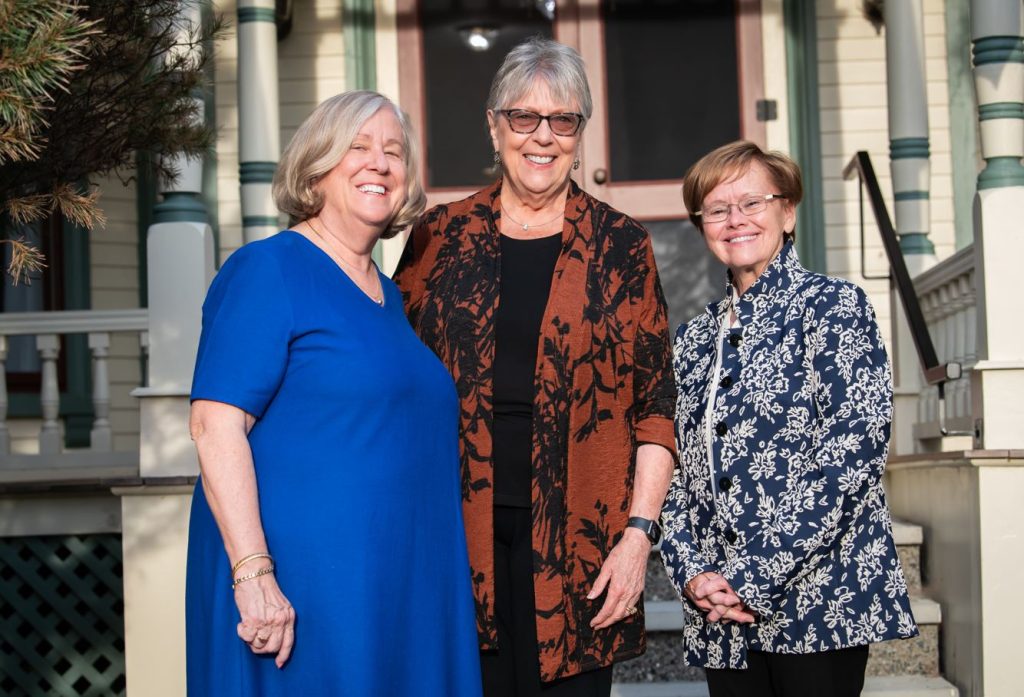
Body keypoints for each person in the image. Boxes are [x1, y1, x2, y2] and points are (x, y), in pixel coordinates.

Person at [393, 38, 677, 697]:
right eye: (524, 117)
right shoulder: (440, 237)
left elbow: (657, 405)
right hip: (456, 537)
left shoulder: (622, 245)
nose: (542, 137)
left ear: (581, 132)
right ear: (495, 126)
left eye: (563, 120)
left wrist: (639, 536)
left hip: (583, 545)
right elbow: (394, 374)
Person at [185, 90, 482, 696]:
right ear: (316, 167)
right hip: (305, 592)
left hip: (398, 589)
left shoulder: (390, 297)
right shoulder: (269, 269)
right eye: (359, 146)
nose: (380, 163)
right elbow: (215, 426)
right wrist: (253, 573)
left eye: (394, 152)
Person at [660, 140, 918, 697]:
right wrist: (691, 574)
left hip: (820, 602)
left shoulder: (834, 307)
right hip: (722, 614)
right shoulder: (696, 338)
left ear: (788, 211)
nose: (735, 221)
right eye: (717, 209)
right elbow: (676, 470)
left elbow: (853, 451)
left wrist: (750, 578)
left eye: (751, 203)